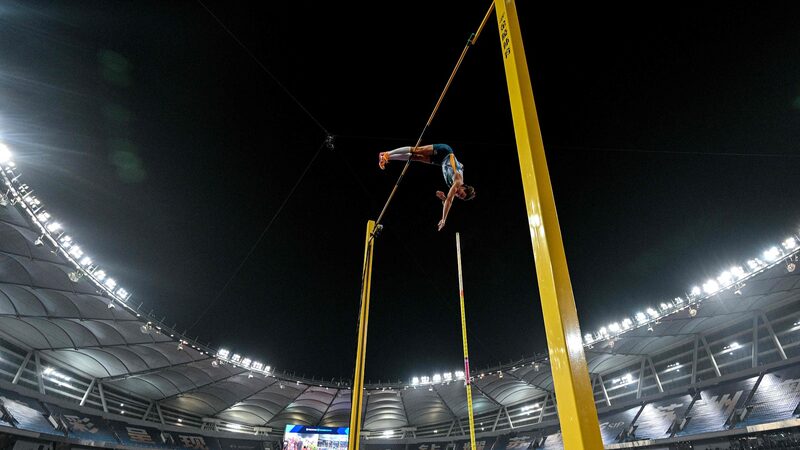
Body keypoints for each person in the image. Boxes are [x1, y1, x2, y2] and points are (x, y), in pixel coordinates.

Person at [378, 144, 475, 231]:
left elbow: (447, 200)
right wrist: (443, 219)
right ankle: (387, 154)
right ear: (464, 187)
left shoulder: (454, 185)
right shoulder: (458, 181)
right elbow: (449, 201)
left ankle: (389, 158)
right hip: (445, 151)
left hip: (441, 161)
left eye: (460, 197)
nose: (458, 194)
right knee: (416, 150)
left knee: (416, 157)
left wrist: (443, 199)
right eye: (461, 193)